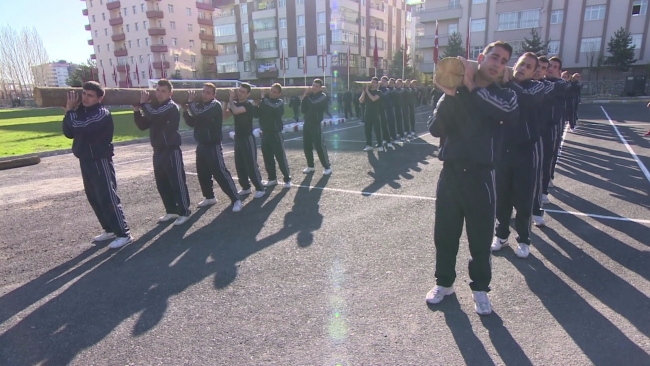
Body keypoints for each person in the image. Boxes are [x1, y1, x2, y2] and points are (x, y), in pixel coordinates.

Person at [426, 41, 519, 315]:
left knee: (479, 239)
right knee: (445, 235)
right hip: (451, 174)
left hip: (482, 176)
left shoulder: (505, 94)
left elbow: (506, 113)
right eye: (493, 57)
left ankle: (480, 289)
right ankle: (444, 283)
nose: (497, 64)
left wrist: (470, 84)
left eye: (503, 61)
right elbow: (434, 128)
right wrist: (449, 95)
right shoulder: (457, 93)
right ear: (481, 58)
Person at [62, 82, 132, 249]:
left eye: (90, 95)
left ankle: (124, 234)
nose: (85, 98)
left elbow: (82, 126)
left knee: (108, 197)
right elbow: (69, 132)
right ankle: (109, 230)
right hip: (85, 159)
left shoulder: (102, 113)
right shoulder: (79, 112)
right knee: (94, 197)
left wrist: (70, 112)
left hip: (100, 160)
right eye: (84, 93)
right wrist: (69, 113)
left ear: (100, 98)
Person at [491, 52, 545, 259]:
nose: (523, 68)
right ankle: (501, 235)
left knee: (523, 200)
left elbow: (527, 99)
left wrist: (509, 83)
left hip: (526, 151)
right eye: (521, 64)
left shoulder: (536, 87)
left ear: (534, 72)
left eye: (528, 66)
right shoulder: (502, 84)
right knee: (502, 197)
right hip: (503, 151)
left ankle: (523, 239)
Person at [134, 79, 191, 226]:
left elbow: (154, 115)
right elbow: (143, 125)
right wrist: (136, 111)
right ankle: (171, 210)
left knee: (177, 182)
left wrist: (143, 104)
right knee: (162, 183)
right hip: (158, 151)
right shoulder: (154, 107)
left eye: (163, 91)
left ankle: (184, 211)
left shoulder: (171, 107)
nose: (159, 93)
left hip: (171, 150)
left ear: (170, 93)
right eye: (157, 90)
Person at [182, 83, 243, 213]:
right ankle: (209, 197)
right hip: (201, 145)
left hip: (213, 145)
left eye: (208, 92)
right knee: (202, 173)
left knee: (220, 173)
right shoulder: (199, 107)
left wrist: (190, 103)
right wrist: (185, 111)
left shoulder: (215, 105)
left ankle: (236, 199)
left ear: (214, 95)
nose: (204, 94)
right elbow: (193, 122)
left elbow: (200, 114)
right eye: (203, 92)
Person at [225, 83, 266, 198]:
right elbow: (224, 116)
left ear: (248, 94)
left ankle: (260, 188)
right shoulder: (235, 104)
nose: (240, 93)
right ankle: (246, 187)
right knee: (239, 164)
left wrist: (230, 100)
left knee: (251, 164)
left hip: (247, 138)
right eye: (239, 90)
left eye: (243, 92)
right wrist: (226, 102)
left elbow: (237, 111)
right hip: (238, 137)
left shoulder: (248, 105)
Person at [542, 56, 570, 205]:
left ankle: (544, 190)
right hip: (537, 127)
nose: (550, 68)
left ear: (559, 71)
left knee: (548, 158)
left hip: (552, 127)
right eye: (548, 65)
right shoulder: (537, 83)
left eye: (554, 67)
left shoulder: (560, 84)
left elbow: (564, 87)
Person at [256, 83, 292, 189]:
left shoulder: (279, 103)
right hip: (265, 134)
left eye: (274, 92)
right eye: (271, 90)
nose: (271, 93)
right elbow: (257, 114)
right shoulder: (264, 102)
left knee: (280, 157)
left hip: (275, 134)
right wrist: (255, 105)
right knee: (268, 158)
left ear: (278, 94)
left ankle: (287, 179)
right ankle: (272, 178)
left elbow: (272, 107)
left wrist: (263, 98)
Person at [300, 79, 332, 175]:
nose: (314, 87)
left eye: (316, 86)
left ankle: (327, 167)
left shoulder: (323, 96)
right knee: (306, 146)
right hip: (307, 123)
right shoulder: (310, 96)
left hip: (316, 124)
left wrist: (305, 97)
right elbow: (303, 110)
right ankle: (310, 166)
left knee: (319, 146)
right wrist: (303, 98)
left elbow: (313, 105)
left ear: (320, 88)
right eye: (313, 85)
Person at [359, 77, 383, 151]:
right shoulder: (366, 92)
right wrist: (364, 91)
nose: (373, 83)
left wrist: (367, 92)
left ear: (377, 84)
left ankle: (380, 145)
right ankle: (368, 145)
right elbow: (361, 101)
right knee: (367, 130)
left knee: (377, 130)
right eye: (372, 82)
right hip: (367, 113)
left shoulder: (378, 92)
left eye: (375, 82)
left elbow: (373, 99)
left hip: (375, 114)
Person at [378, 76, 395, 150]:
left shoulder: (388, 90)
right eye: (382, 81)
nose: (383, 82)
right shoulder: (379, 89)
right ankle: (384, 138)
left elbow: (384, 95)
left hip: (389, 109)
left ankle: (392, 138)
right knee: (382, 124)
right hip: (381, 109)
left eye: (384, 81)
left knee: (389, 123)